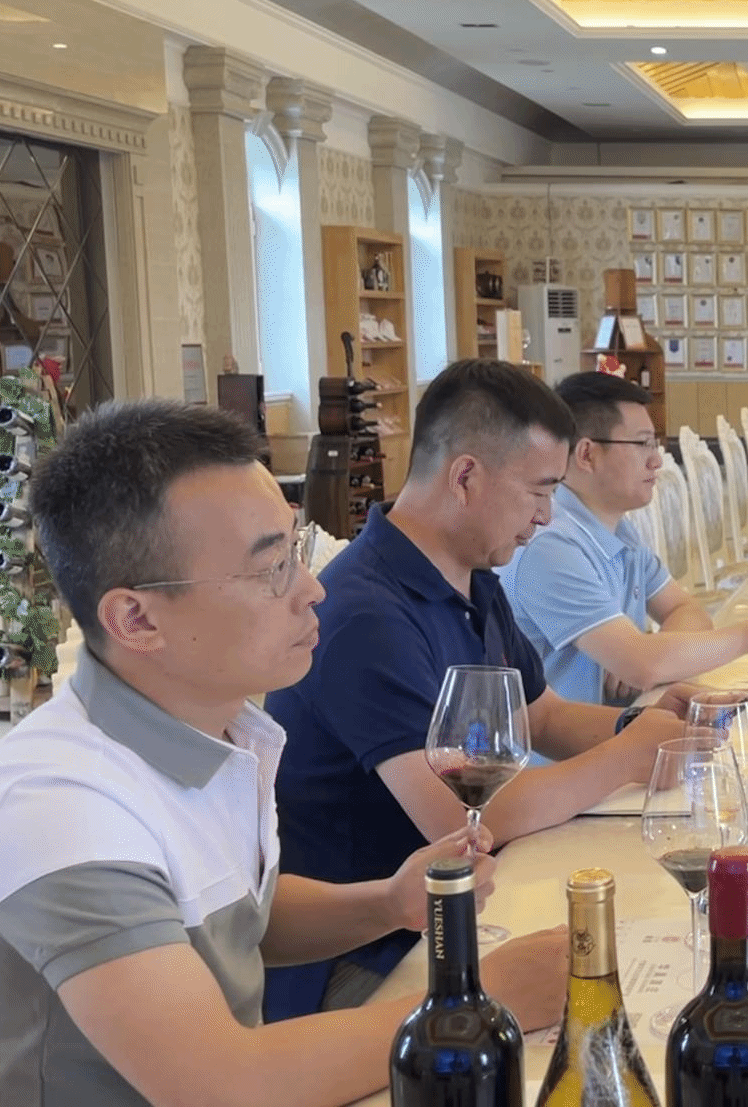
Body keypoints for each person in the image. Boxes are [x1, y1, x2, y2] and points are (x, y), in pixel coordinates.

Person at [0, 401, 564, 1107]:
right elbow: (225, 1083)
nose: (313, 589)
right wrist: (482, 1002)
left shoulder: (216, 727)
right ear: (136, 619)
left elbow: (237, 917)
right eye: (272, 568)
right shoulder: (60, 809)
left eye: (298, 550)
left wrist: (388, 903)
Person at [266, 360, 684, 1020]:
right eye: (539, 490)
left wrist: (657, 731)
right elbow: (467, 816)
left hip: (460, 905)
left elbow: (543, 718)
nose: (547, 515)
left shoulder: (472, 572)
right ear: (465, 477)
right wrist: (630, 756)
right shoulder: (364, 614)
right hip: (366, 959)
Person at [500, 372, 748, 705]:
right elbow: (644, 666)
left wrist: (649, 657)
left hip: (617, 724)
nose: (656, 460)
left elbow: (687, 609)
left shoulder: (620, 529)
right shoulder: (549, 546)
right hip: (571, 738)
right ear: (586, 455)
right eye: (643, 444)